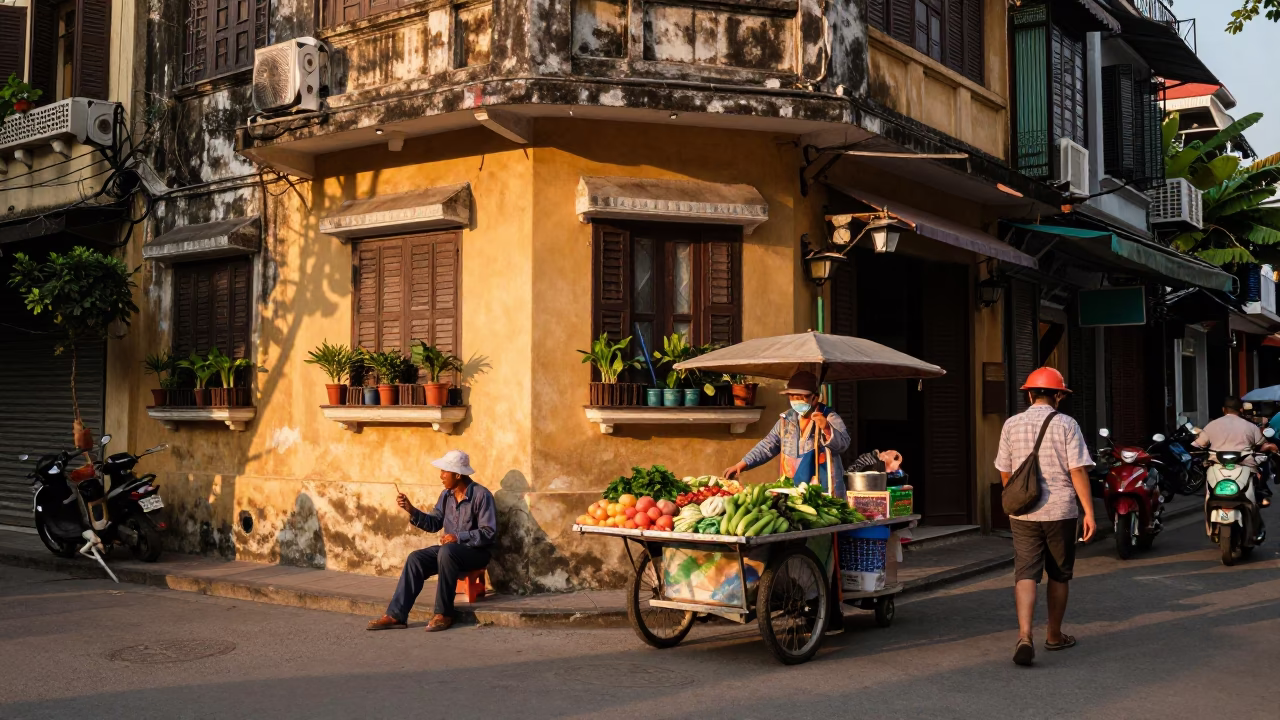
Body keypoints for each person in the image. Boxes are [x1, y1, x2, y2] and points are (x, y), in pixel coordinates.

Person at [995, 367, 1096, 667]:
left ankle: (1024, 635)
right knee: (1059, 573)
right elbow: (1077, 469)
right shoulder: (1067, 424)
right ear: (1059, 396)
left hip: (1023, 512)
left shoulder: (1011, 424)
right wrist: (1089, 511)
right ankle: (1053, 635)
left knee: (1025, 573)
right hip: (1061, 511)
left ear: (1029, 393)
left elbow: (1004, 469)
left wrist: (1018, 495)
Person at [367, 450, 497, 633]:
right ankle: (396, 615)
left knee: (447, 551)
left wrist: (459, 537)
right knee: (415, 558)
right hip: (450, 552)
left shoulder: (482, 496)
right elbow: (434, 523)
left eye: (445, 471)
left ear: (458, 474)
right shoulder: (446, 496)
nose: (441, 476)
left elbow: (489, 533)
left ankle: (444, 613)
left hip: (476, 553)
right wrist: (412, 510)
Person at [723, 370, 851, 495]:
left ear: (814, 398)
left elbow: (843, 444)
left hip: (823, 489)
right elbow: (768, 444)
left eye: (800, 397)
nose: (796, 401)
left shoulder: (829, 416)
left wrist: (827, 429)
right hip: (791, 489)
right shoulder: (786, 419)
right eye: (792, 397)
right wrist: (742, 464)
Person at [1196, 397, 1272, 507]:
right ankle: (1260, 494)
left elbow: (1198, 444)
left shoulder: (1211, 425)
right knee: (1260, 473)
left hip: (1217, 466)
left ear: (1223, 409)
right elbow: (1261, 444)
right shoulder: (1251, 426)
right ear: (1241, 410)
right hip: (1245, 465)